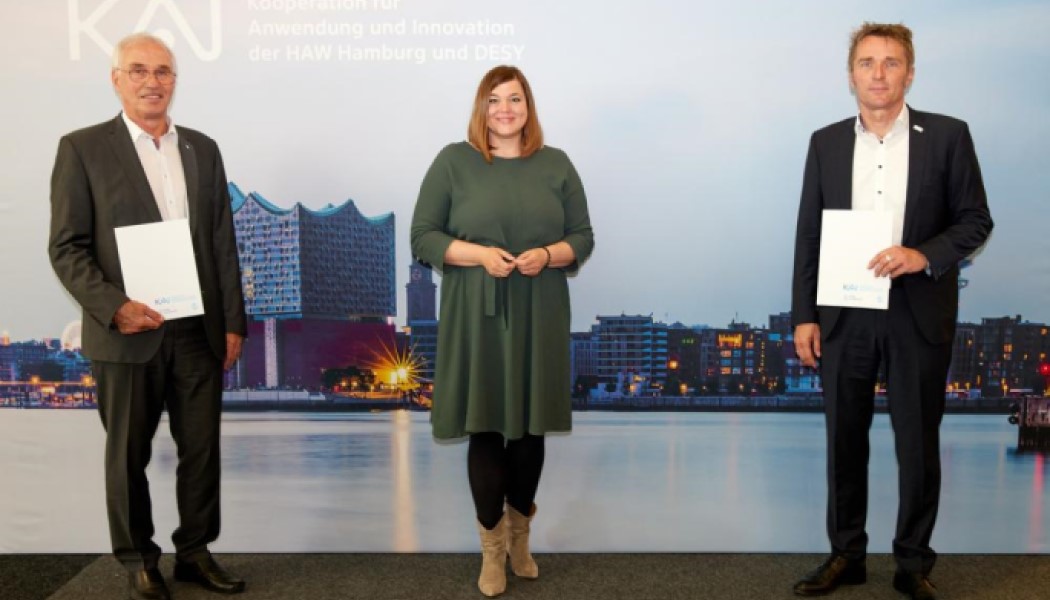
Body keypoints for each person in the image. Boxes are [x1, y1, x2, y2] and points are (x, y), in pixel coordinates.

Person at [790, 23, 992, 600]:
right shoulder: (824, 141)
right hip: (844, 313)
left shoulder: (949, 136)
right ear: (850, 73)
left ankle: (912, 563)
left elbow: (976, 221)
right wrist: (805, 314)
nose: (879, 73)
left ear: (910, 72)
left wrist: (920, 255)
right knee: (844, 441)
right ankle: (846, 555)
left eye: (892, 62)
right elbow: (809, 235)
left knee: (917, 445)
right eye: (867, 62)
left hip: (917, 311)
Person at [48, 33, 247, 600]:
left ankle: (194, 552)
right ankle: (138, 559)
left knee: (202, 450)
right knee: (127, 456)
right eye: (138, 70)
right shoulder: (82, 148)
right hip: (126, 335)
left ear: (174, 81)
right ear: (117, 80)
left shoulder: (202, 149)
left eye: (163, 71)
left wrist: (233, 322)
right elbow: (66, 247)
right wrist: (115, 307)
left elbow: (221, 243)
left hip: (197, 331)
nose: (151, 81)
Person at [410, 65, 594, 597]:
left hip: (540, 304)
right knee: (487, 426)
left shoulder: (556, 164)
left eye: (515, 99)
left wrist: (547, 254)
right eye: (494, 100)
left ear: (529, 107)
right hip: (476, 308)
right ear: (481, 108)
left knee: (530, 430)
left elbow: (582, 238)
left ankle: (520, 539)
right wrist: (479, 255)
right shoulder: (453, 162)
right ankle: (492, 552)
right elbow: (423, 236)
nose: (505, 109)